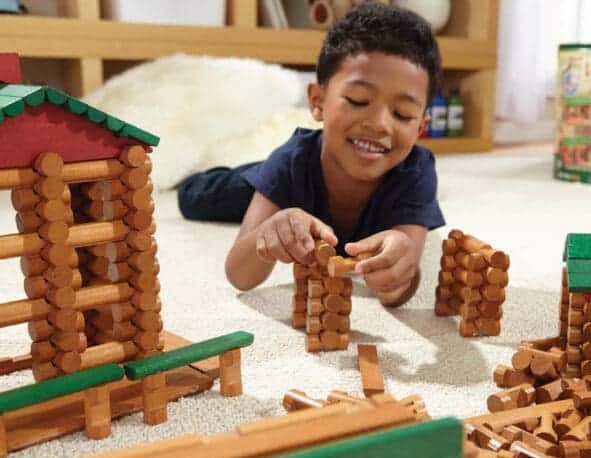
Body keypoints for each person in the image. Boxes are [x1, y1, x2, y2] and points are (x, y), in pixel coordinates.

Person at [177, 3, 445, 307]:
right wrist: (269, 229)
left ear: (421, 128)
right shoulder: (290, 163)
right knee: (196, 197)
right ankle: (220, 179)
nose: (380, 124)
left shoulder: (417, 173)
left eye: (403, 114)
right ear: (317, 102)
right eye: (358, 101)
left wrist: (402, 266)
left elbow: (400, 287)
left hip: (309, 190)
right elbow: (239, 275)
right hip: (286, 182)